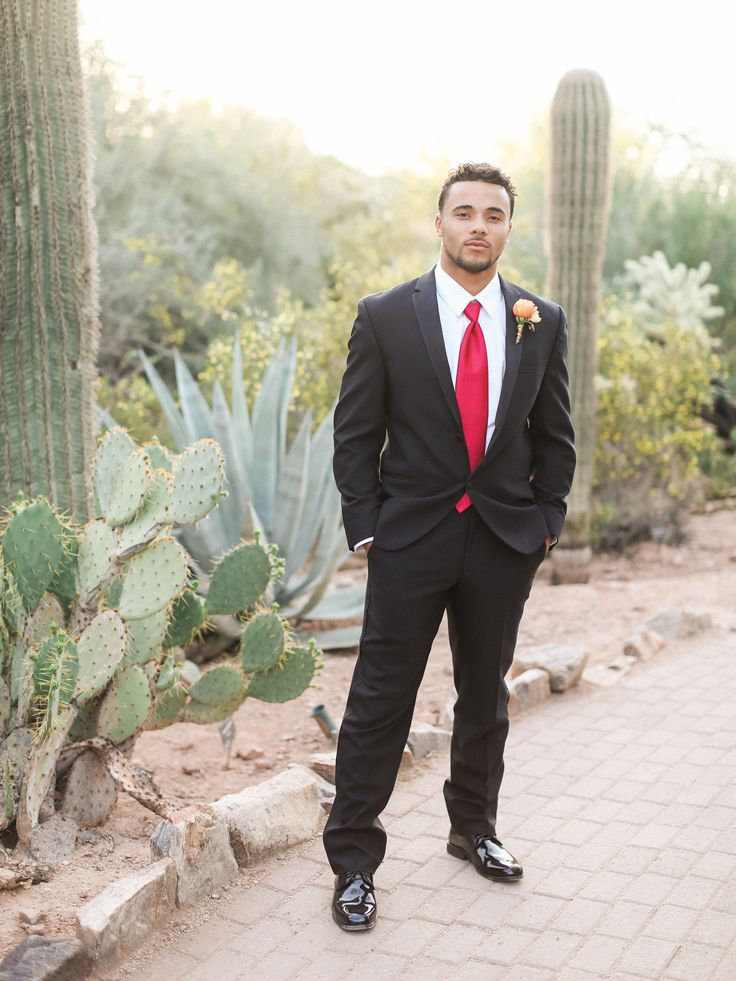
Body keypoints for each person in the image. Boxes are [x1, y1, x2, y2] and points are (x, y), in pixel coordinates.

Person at [324, 162, 576, 931]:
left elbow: (555, 437)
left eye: (492, 215)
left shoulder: (541, 319)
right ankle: (355, 864)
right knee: (379, 699)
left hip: (501, 540)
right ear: (439, 223)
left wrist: (544, 524)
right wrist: (367, 523)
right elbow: (356, 431)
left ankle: (474, 829)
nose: (478, 225)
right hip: (410, 537)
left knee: (485, 696)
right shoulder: (386, 315)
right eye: (463, 212)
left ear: (506, 228)